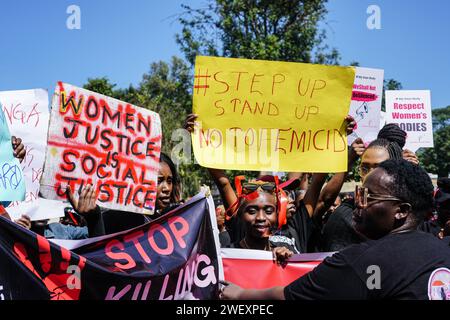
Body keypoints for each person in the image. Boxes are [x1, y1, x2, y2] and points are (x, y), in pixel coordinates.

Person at [220, 159, 450, 300]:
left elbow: (287, 297)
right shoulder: (442, 252)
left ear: (401, 210)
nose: (356, 202)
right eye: (359, 193)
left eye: (368, 197)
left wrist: (240, 295)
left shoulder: (360, 263)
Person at [318, 123, 419, 252]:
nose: (370, 174)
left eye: (379, 167)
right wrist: (348, 160)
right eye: (365, 168)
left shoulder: (407, 215)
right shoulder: (344, 214)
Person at [67, 152, 182, 237]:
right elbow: (99, 255)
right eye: (159, 181)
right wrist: (94, 218)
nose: (166, 188)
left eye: (169, 181)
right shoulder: (118, 218)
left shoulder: (173, 221)